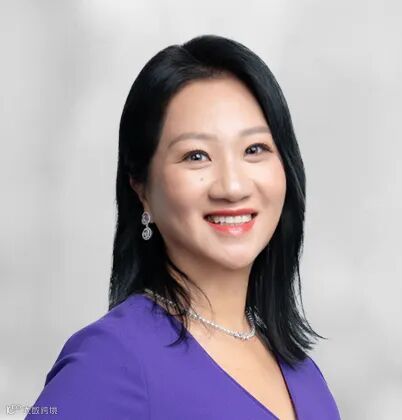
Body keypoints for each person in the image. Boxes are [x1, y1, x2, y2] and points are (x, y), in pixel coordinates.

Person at [27, 34, 341, 419]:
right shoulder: (111, 361)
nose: (233, 187)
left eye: (254, 149)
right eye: (196, 156)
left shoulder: (303, 373)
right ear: (141, 189)